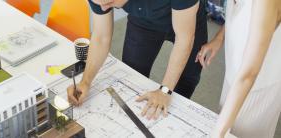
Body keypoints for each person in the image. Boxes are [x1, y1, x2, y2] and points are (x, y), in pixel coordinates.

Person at [67, 0, 208, 120]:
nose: (104, 8)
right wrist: (85, 82)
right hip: (143, 20)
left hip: (186, 17)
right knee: (132, 75)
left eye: (109, 2)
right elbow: (101, 37)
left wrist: (165, 91)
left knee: (185, 80)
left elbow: (184, 39)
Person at [196, 0, 281, 137]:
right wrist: (220, 37)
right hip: (236, 72)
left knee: (238, 131)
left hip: (257, 84)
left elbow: (249, 74)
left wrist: (217, 133)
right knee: (225, 122)